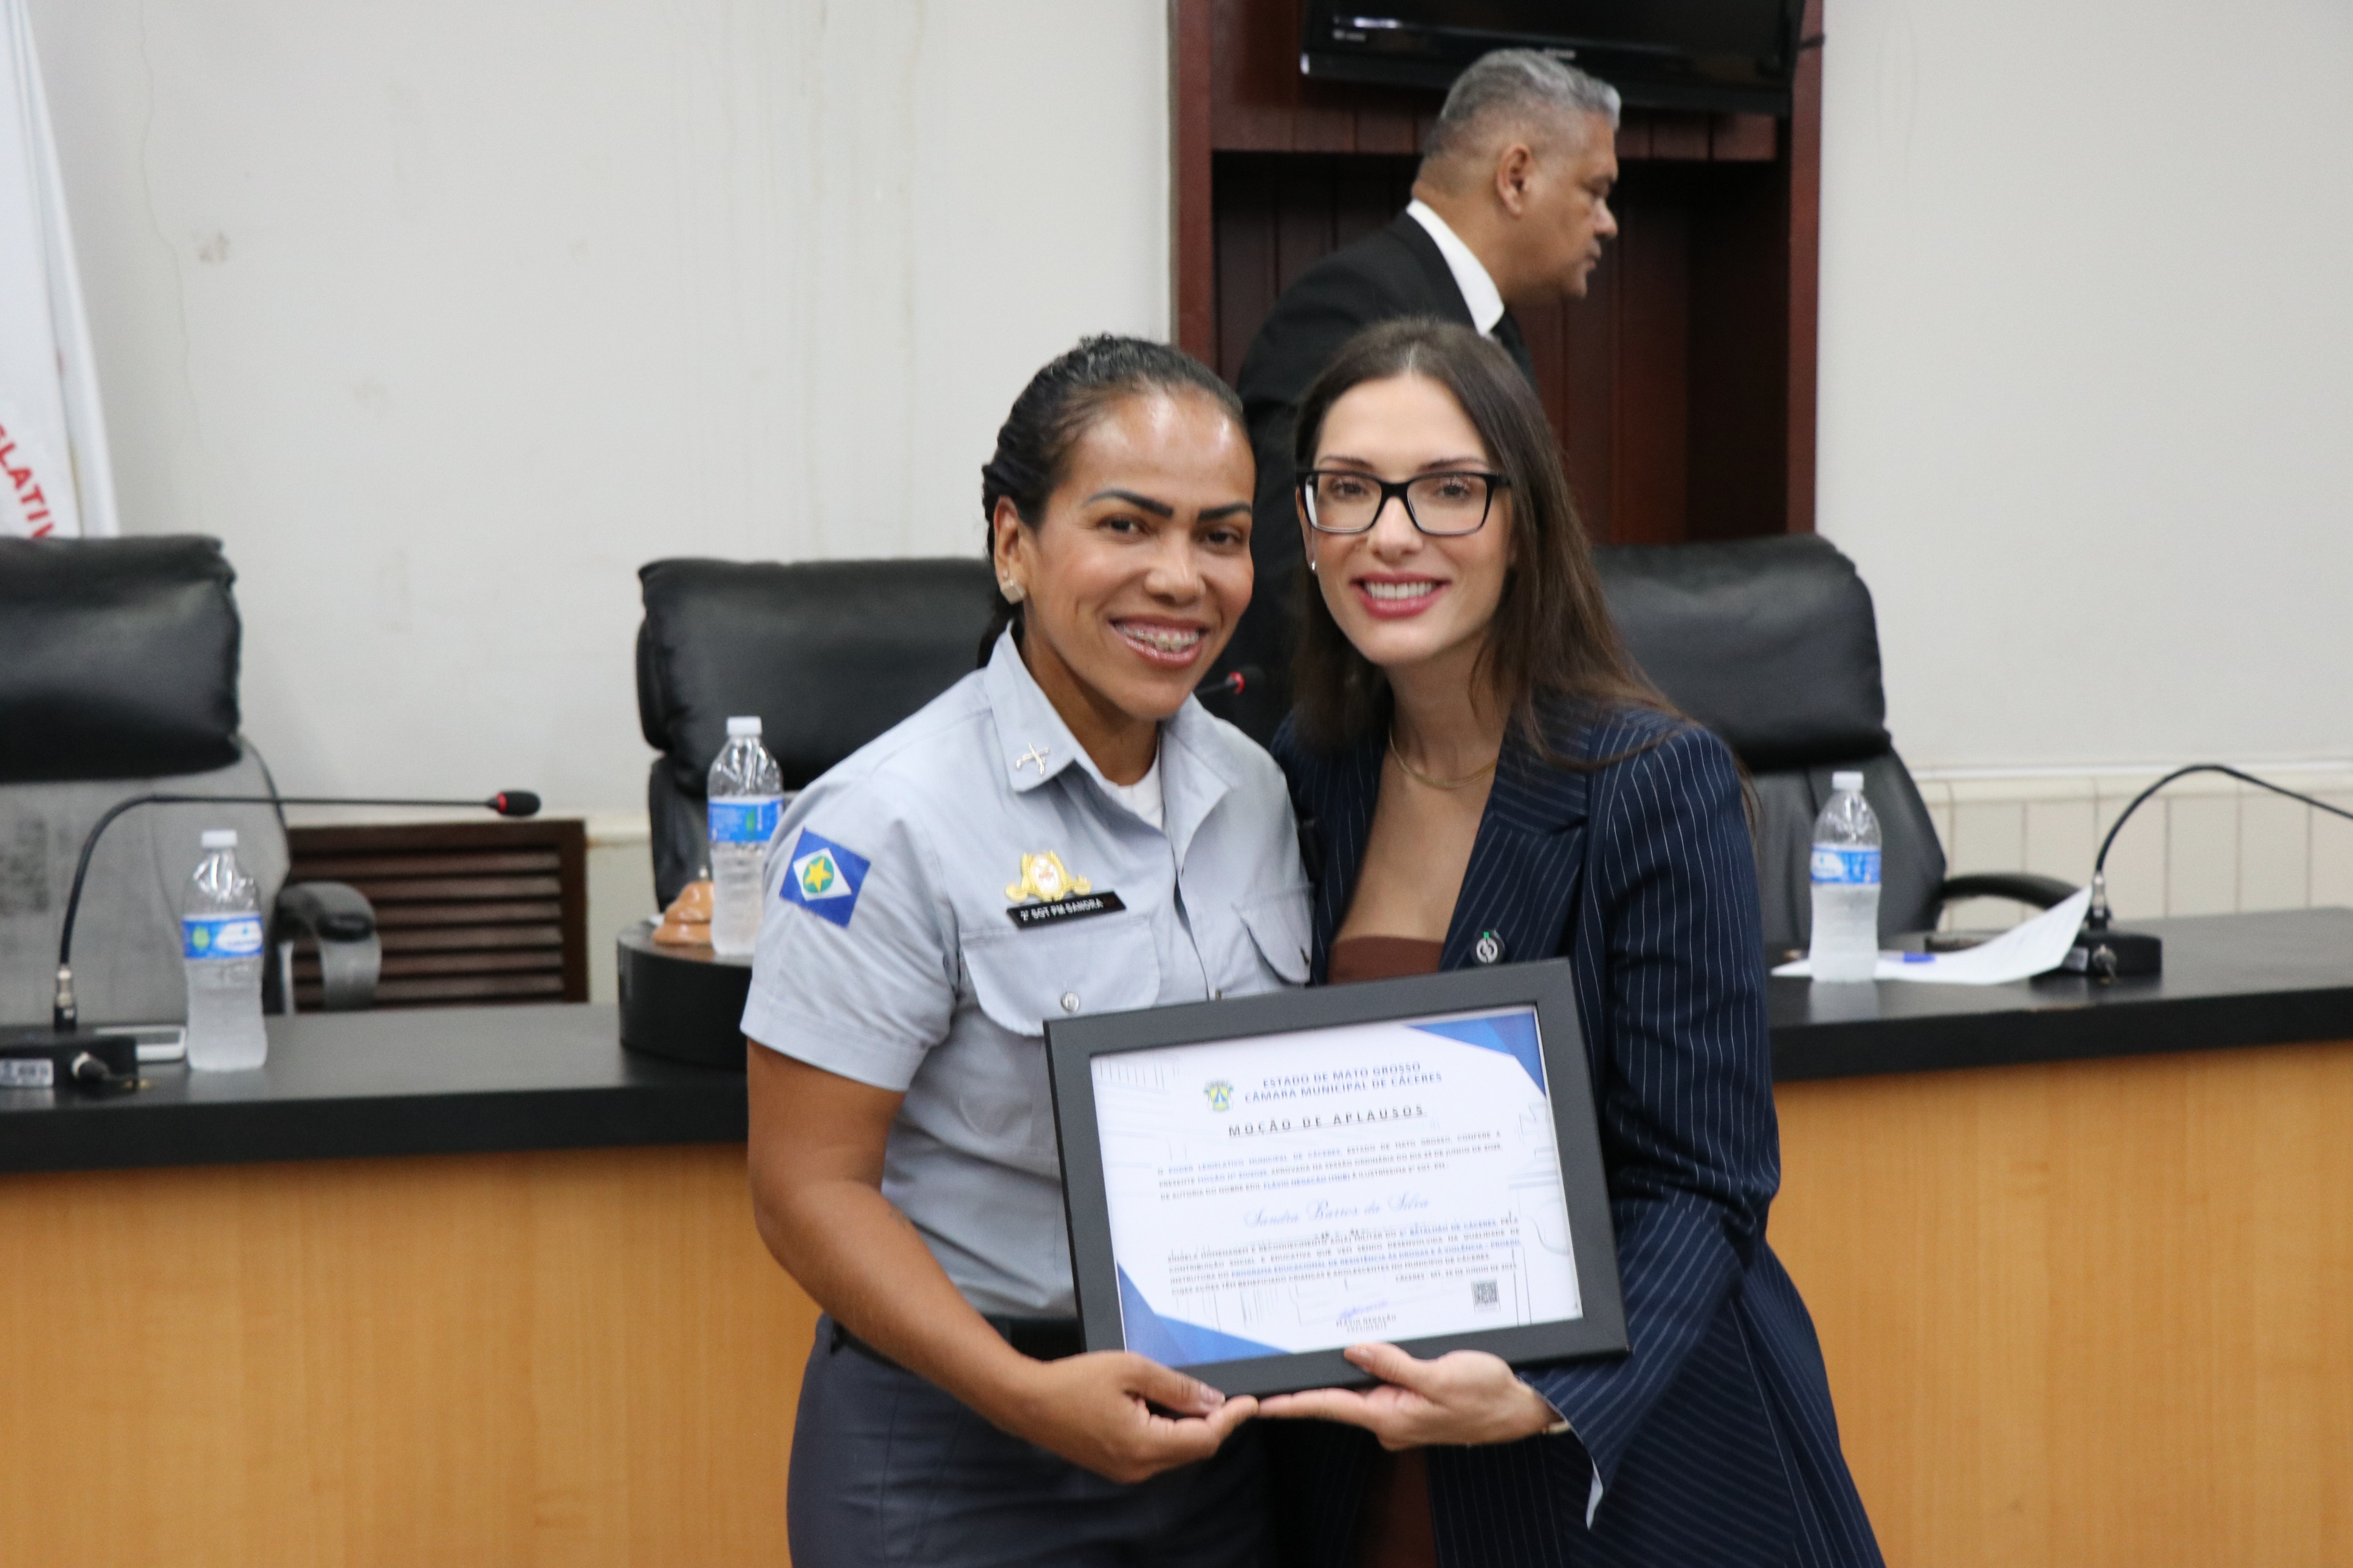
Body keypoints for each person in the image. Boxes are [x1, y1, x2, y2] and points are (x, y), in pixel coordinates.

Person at [1259, 318, 1883, 1568]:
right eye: (1348, 491)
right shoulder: (1304, 771)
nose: (1390, 534)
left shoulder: (1654, 782)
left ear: (1523, 521)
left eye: (1447, 491)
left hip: (1619, 1461)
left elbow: (1704, 1184)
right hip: (1360, 1450)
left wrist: (1547, 1390)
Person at [742, 336, 1313, 1567]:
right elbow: (806, 1192)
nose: (1180, 577)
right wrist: (1021, 1393)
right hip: (957, 1438)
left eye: (1219, 536)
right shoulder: (880, 821)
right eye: (1127, 525)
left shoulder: (1257, 789)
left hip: (1209, 1440)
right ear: (1014, 543)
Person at [1211, 49, 1623, 742]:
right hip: (1351, 755)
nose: (1606, 221)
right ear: (1516, 177)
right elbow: (1295, 565)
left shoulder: (1491, 328)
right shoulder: (1350, 304)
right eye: (1595, 189)